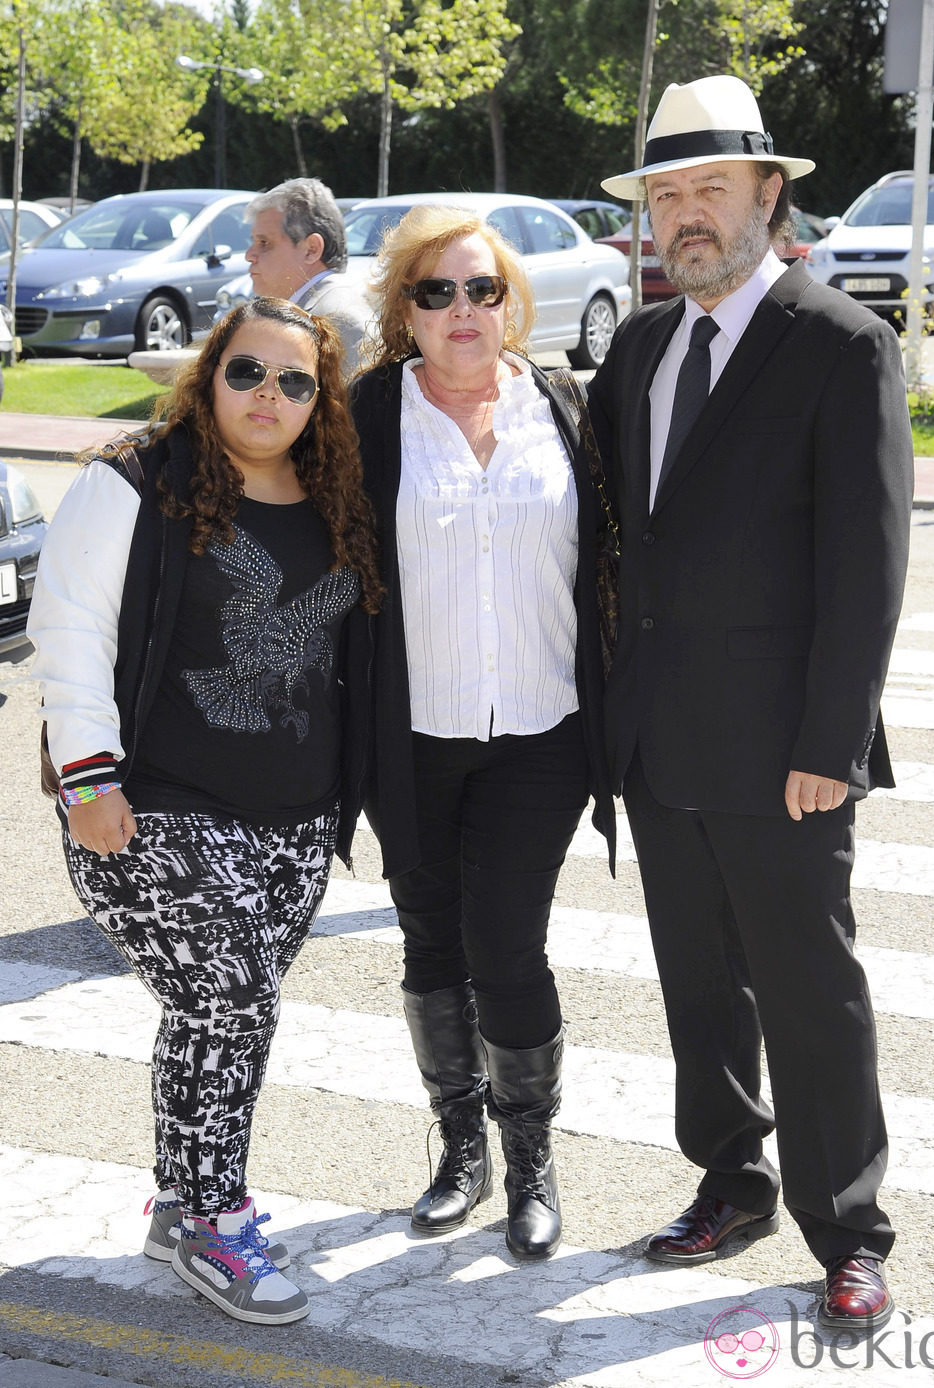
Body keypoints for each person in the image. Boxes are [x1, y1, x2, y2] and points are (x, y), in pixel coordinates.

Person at [591, 75, 913, 1330]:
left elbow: (867, 564)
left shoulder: (840, 342)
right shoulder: (637, 347)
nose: (683, 215)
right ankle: (729, 1178)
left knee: (805, 983)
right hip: (660, 738)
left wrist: (830, 742)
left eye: (707, 189)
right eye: (664, 194)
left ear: (768, 196)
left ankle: (848, 1225)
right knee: (695, 978)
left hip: (787, 750)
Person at [27, 297, 382, 1326]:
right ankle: (216, 1220)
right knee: (235, 1000)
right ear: (207, 373)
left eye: (294, 381)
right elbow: (72, 629)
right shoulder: (134, 478)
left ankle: (179, 1199)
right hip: (150, 811)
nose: (267, 395)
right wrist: (88, 779)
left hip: (292, 819)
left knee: (214, 1015)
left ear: (320, 399)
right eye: (246, 372)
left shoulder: (330, 495)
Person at [349, 204, 615, 1262]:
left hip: (541, 728)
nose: (463, 310)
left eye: (483, 289)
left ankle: (529, 1162)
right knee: (430, 937)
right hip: (409, 733)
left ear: (512, 301)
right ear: (403, 308)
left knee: (506, 938)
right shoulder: (363, 414)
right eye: (436, 290)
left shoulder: (562, 403)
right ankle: (458, 1146)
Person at [245, 178, 372, 377]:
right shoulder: (310, 310)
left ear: (311, 249)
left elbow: (356, 406)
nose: (249, 255)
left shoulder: (341, 319)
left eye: (264, 242)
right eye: (254, 241)